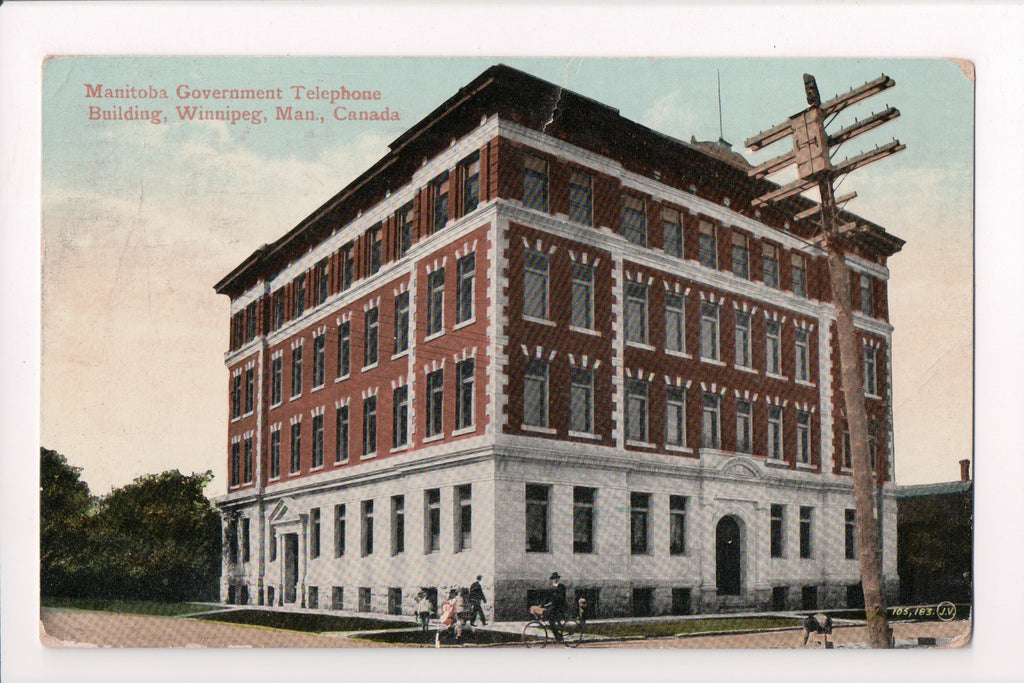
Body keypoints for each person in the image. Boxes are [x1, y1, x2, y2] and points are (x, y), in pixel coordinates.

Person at [543, 572, 567, 643]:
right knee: (551, 621)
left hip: (560, 607)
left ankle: (558, 636)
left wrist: (552, 603)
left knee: (551, 620)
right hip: (553, 606)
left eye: (556, 578)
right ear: (552, 580)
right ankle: (558, 635)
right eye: (553, 579)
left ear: (558, 579)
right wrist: (542, 605)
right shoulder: (551, 588)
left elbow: (561, 597)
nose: (555, 580)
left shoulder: (561, 587)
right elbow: (547, 598)